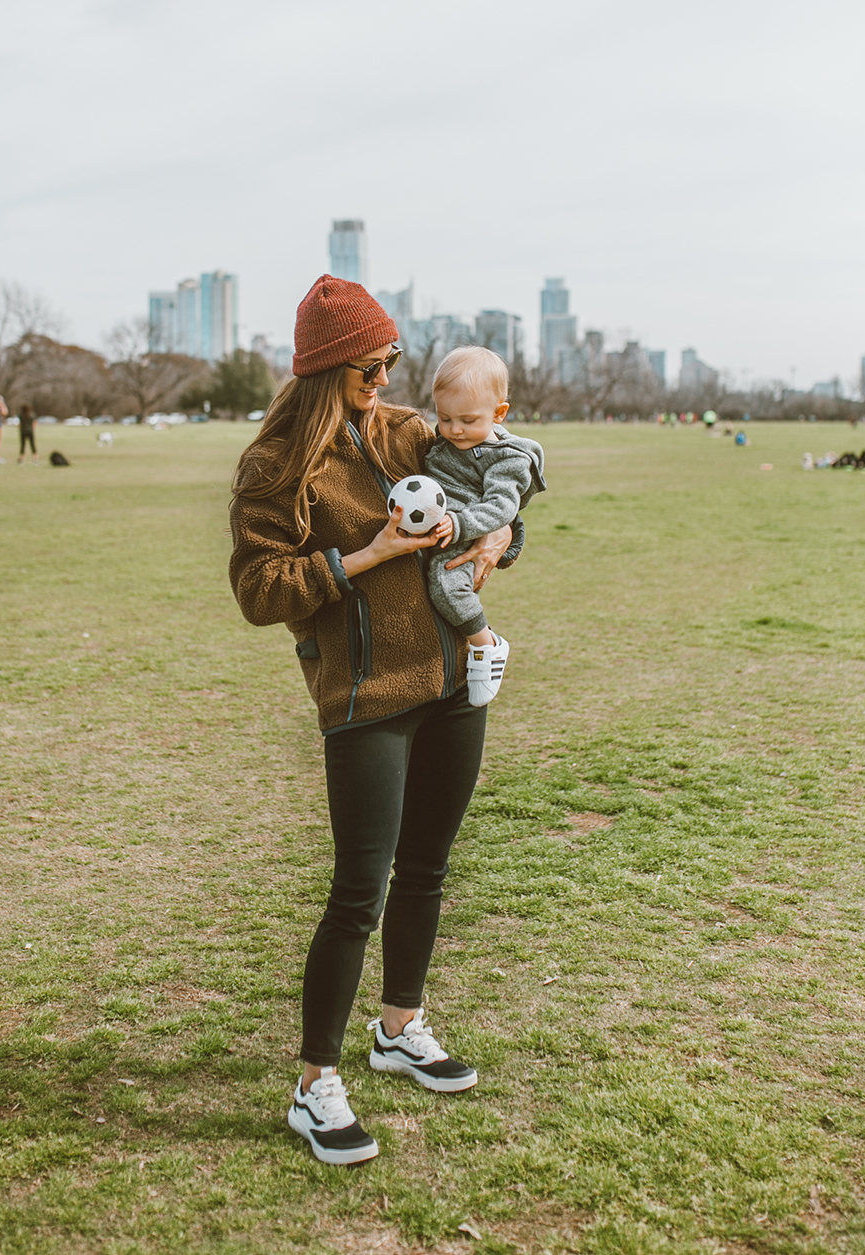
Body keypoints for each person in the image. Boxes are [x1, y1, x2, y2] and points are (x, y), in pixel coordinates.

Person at [229, 275, 520, 1166]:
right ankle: (315, 1083)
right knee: (360, 889)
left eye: (391, 361)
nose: (385, 380)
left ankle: (400, 1028)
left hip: (451, 680)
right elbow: (258, 590)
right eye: (370, 367)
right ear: (326, 371)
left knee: (427, 868)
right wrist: (368, 554)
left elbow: (497, 466)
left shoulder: (406, 432)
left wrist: (501, 539)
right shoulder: (276, 465)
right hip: (364, 698)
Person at [424, 346, 545, 706]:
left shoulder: (506, 460)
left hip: (466, 529)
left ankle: (486, 645)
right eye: (444, 418)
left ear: (499, 413)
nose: (454, 430)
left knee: (446, 585)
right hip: (444, 521)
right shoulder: (448, 437)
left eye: (467, 420)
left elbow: (501, 506)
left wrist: (460, 524)